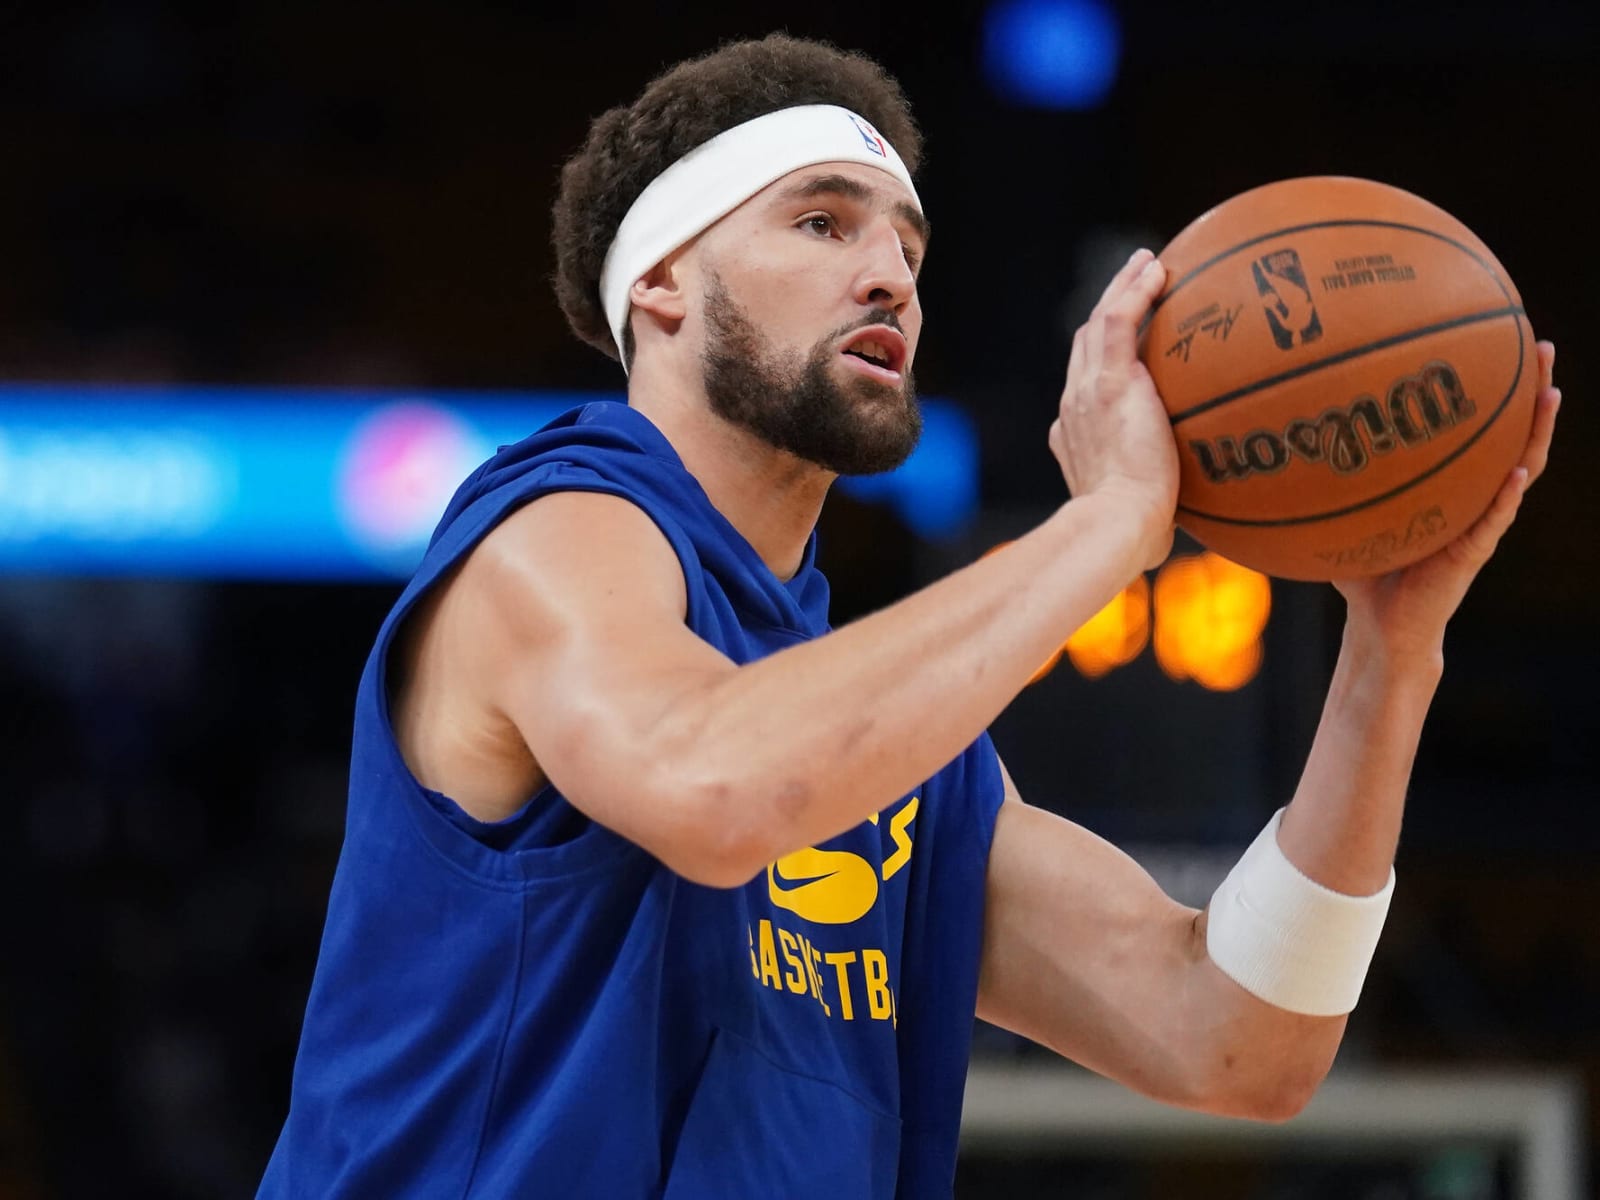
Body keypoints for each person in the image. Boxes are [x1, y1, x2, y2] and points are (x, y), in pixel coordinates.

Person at [257, 32, 1560, 1199]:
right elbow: (712, 787)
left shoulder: (891, 745)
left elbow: (1233, 1037)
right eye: (823, 224)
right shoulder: (550, 532)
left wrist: (1389, 651)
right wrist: (1110, 525)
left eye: (909, 246)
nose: (889, 273)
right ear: (660, 283)